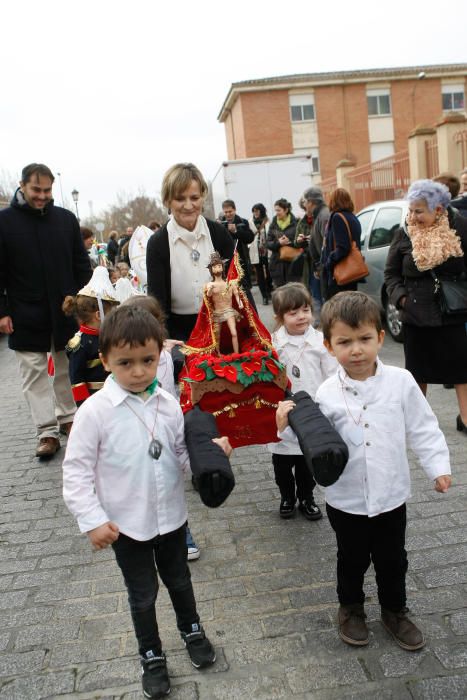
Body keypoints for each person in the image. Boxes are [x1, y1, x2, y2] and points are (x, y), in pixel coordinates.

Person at [63, 305, 232, 699]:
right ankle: (151, 653)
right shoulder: (95, 413)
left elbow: (180, 454)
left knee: (179, 580)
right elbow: (76, 473)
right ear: (105, 360)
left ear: (160, 356)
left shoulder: (168, 405)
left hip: (172, 518)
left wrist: (211, 456)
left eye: (147, 361)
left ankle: (192, 629)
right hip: (126, 525)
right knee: (142, 594)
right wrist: (92, 520)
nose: (138, 371)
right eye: (125, 362)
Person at [277, 291, 451, 651]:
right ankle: (351, 608)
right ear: (329, 346)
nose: (356, 350)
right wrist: (285, 424)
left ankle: (394, 610)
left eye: (364, 339)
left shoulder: (401, 382)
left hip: (391, 495)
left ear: (380, 338)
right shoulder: (325, 392)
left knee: (393, 559)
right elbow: (314, 440)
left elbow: (423, 426)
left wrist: (438, 467)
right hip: (347, 498)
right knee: (351, 558)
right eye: (344, 342)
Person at [0, 162, 91, 458]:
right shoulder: (5, 221)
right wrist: (2, 311)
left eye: (47, 190)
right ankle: (46, 431)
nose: (42, 196)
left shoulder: (65, 219)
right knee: (34, 374)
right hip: (24, 311)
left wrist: (82, 300)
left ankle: (67, 418)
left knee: (65, 367)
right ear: (22, 186)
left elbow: (80, 264)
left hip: (64, 310)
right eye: (36, 190)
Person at [384, 179, 467, 431]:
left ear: (438, 209)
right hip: (416, 314)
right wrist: (401, 299)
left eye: (419, 211)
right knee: (417, 372)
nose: (413, 216)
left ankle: (465, 418)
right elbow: (391, 274)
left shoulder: (460, 228)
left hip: (450, 312)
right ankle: (419, 422)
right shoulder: (405, 233)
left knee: (461, 370)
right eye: (411, 210)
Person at [269, 283, 337, 519]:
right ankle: (287, 496)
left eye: (305, 310)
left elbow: (331, 374)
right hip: (283, 413)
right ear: (279, 316)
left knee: (308, 461)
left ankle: (307, 497)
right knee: (282, 462)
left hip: (312, 412)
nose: (301, 317)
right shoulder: (272, 344)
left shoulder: (320, 341)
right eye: (293, 312)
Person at [146, 163, 234, 343]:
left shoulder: (219, 234)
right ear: (167, 201)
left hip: (221, 324)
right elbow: (157, 302)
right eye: (180, 199)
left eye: (194, 197)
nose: (188, 206)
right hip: (178, 332)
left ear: (203, 197)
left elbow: (238, 283)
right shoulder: (157, 244)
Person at [62, 267, 118, 406]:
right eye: (112, 312)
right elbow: (77, 380)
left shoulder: (109, 335)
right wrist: (84, 406)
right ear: (99, 315)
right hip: (94, 399)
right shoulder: (80, 344)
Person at [321, 188, 363, 300]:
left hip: (341, 271)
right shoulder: (353, 217)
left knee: (339, 307)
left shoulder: (337, 218)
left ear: (333, 201)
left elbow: (343, 247)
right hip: (351, 270)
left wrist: (329, 261)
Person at [205, 251, 243, 354]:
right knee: (217, 335)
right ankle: (218, 353)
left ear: (222, 267)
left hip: (229, 311)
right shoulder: (210, 284)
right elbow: (208, 295)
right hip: (217, 313)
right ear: (211, 270)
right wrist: (210, 289)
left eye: (219, 266)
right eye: (214, 267)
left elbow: (236, 294)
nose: (217, 268)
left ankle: (236, 353)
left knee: (234, 333)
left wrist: (240, 303)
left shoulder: (230, 283)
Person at [295, 196, 320, 323]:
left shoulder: (319, 218)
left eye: (308, 204)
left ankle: (321, 321)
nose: (307, 208)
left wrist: (314, 238)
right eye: (305, 206)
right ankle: (317, 321)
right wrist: (299, 240)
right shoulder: (302, 222)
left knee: (319, 291)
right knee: (312, 291)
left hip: (319, 260)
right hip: (307, 262)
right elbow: (296, 242)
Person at [220, 199, 254, 292]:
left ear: (235, 210)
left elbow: (250, 238)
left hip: (241, 258)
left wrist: (236, 231)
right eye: (226, 212)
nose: (228, 214)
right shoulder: (220, 224)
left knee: (245, 289)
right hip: (227, 261)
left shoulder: (243, 222)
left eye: (230, 211)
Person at [266, 198, 300, 288]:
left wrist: (289, 242)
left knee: (294, 292)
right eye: (275, 210)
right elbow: (268, 243)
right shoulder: (273, 224)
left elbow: (301, 242)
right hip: (277, 265)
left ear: (286, 210)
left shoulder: (296, 223)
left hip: (293, 264)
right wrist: (279, 243)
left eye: (278, 210)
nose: (276, 213)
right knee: (281, 293)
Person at [304, 186, 330, 291]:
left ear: (310, 202)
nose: (304, 205)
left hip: (327, 269)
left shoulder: (323, 216)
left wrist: (321, 266)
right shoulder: (319, 215)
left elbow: (327, 243)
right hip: (324, 268)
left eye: (305, 201)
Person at [248, 203, 272, 305]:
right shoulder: (250, 222)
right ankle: (264, 296)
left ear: (261, 211)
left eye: (257, 211)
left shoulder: (267, 221)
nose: (255, 213)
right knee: (260, 274)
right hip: (256, 251)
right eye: (254, 211)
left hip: (266, 251)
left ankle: (269, 290)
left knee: (269, 272)